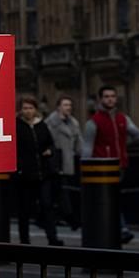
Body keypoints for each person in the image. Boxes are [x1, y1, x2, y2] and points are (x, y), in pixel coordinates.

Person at [81, 85, 139, 244]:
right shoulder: (93, 122)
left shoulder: (122, 119)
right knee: (110, 200)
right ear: (101, 99)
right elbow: (87, 149)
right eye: (106, 96)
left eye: (112, 96)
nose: (110, 99)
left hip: (119, 167)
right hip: (101, 170)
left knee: (113, 200)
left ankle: (116, 229)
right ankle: (121, 229)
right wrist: (86, 172)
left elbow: (138, 134)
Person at [12, 98, 61, 245]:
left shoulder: (42, 125)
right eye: (25, 108)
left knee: (47, 205)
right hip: (25, 174)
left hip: (43, 173)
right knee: (25, 210)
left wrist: (49, 151)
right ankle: (24, 240)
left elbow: (51, 144)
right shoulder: (17, 126)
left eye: (31, 108)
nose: (28, 111)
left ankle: (52, 238)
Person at [43, 96, 83, 227]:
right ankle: (68, 217)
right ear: (59, 107)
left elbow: (78, 143)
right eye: (65, 105)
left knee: (65, 191)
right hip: (55, 163)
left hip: (69, 161)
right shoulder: (51, 122)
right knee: (60, 192)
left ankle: (62, 216)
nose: (68, 108)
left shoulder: (74, 122)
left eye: (70, 105)